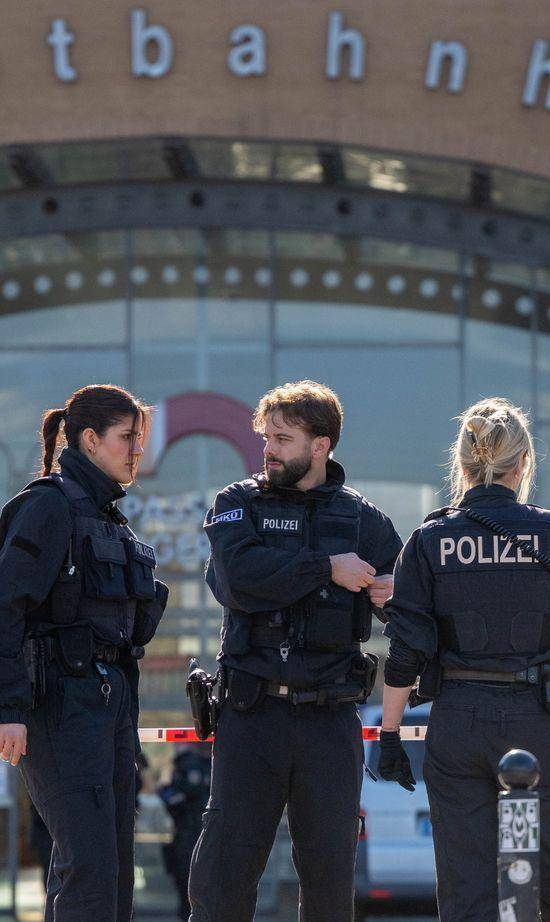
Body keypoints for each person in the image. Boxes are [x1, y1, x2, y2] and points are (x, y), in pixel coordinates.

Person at [370, 397, 550, 922]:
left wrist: (388, 737)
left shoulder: (431, 538)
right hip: (539, 717)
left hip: (460, 719)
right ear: (522, 463)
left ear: (463, 463)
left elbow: (407, 649)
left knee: (467, 887)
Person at [187, 380, 402, 922]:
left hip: (330, 721)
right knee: (222, 881)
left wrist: (393, 595)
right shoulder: (238, 503)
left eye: (282, 438)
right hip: (251, 714)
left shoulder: (364, 521)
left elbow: (410, 612)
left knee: (330, 885)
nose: (269, 449)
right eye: (266, 437)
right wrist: (325, 568)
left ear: (321, 445)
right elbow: (237, 580)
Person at [0, 384, 168, 922]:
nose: (136, 451)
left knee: (111, 872)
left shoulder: (108, 518)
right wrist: (7, 710)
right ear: (89, 439)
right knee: (91, 869)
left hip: (107, 706)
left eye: (139, 438)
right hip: (61, 707)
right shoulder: (49, 507)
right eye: (127, 438)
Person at [158, 745, 213, 920]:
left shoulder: (202, 768)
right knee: (189, 891)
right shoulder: (186, 768)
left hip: (197, 835)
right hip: (189, 836)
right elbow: (168, 797)